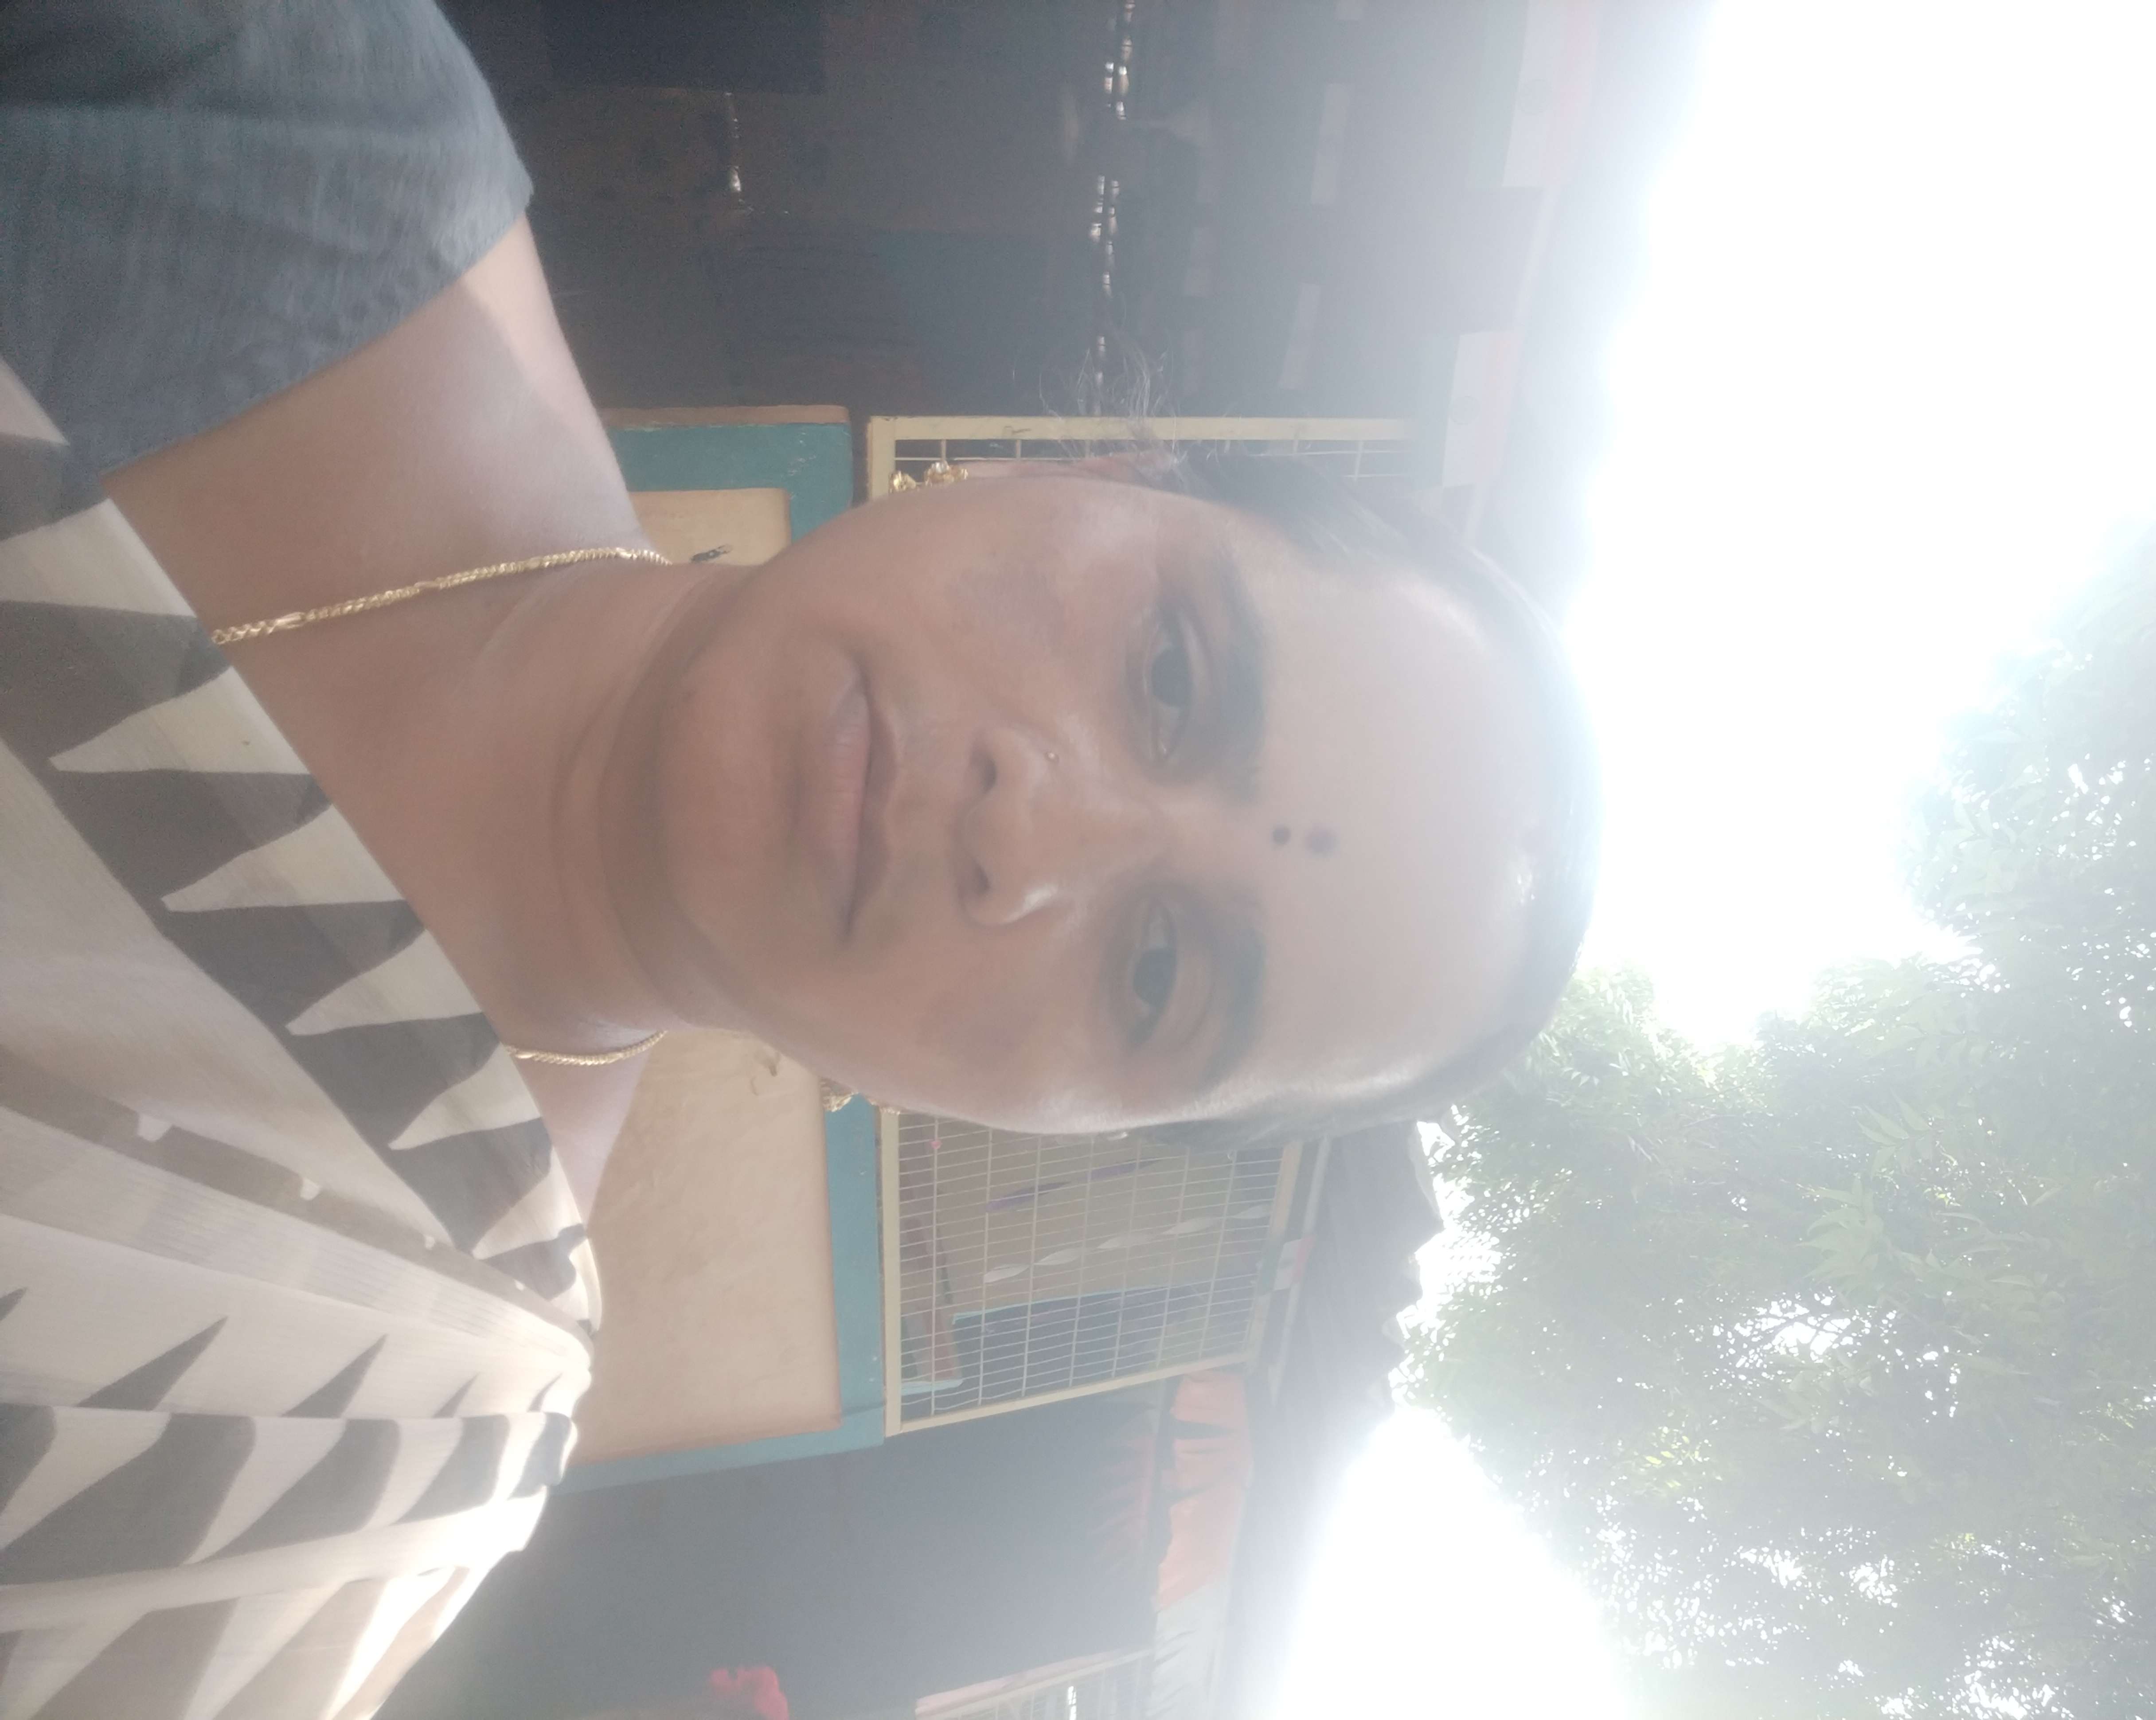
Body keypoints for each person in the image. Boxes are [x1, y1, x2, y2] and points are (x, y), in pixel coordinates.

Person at [0, 2, 1597, 1715]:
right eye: (1170, 674)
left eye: (1154, 972)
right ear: (1096, 467)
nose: (1027, 832)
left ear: (1060, 1124)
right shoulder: (281, 118)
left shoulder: (348, 1457)